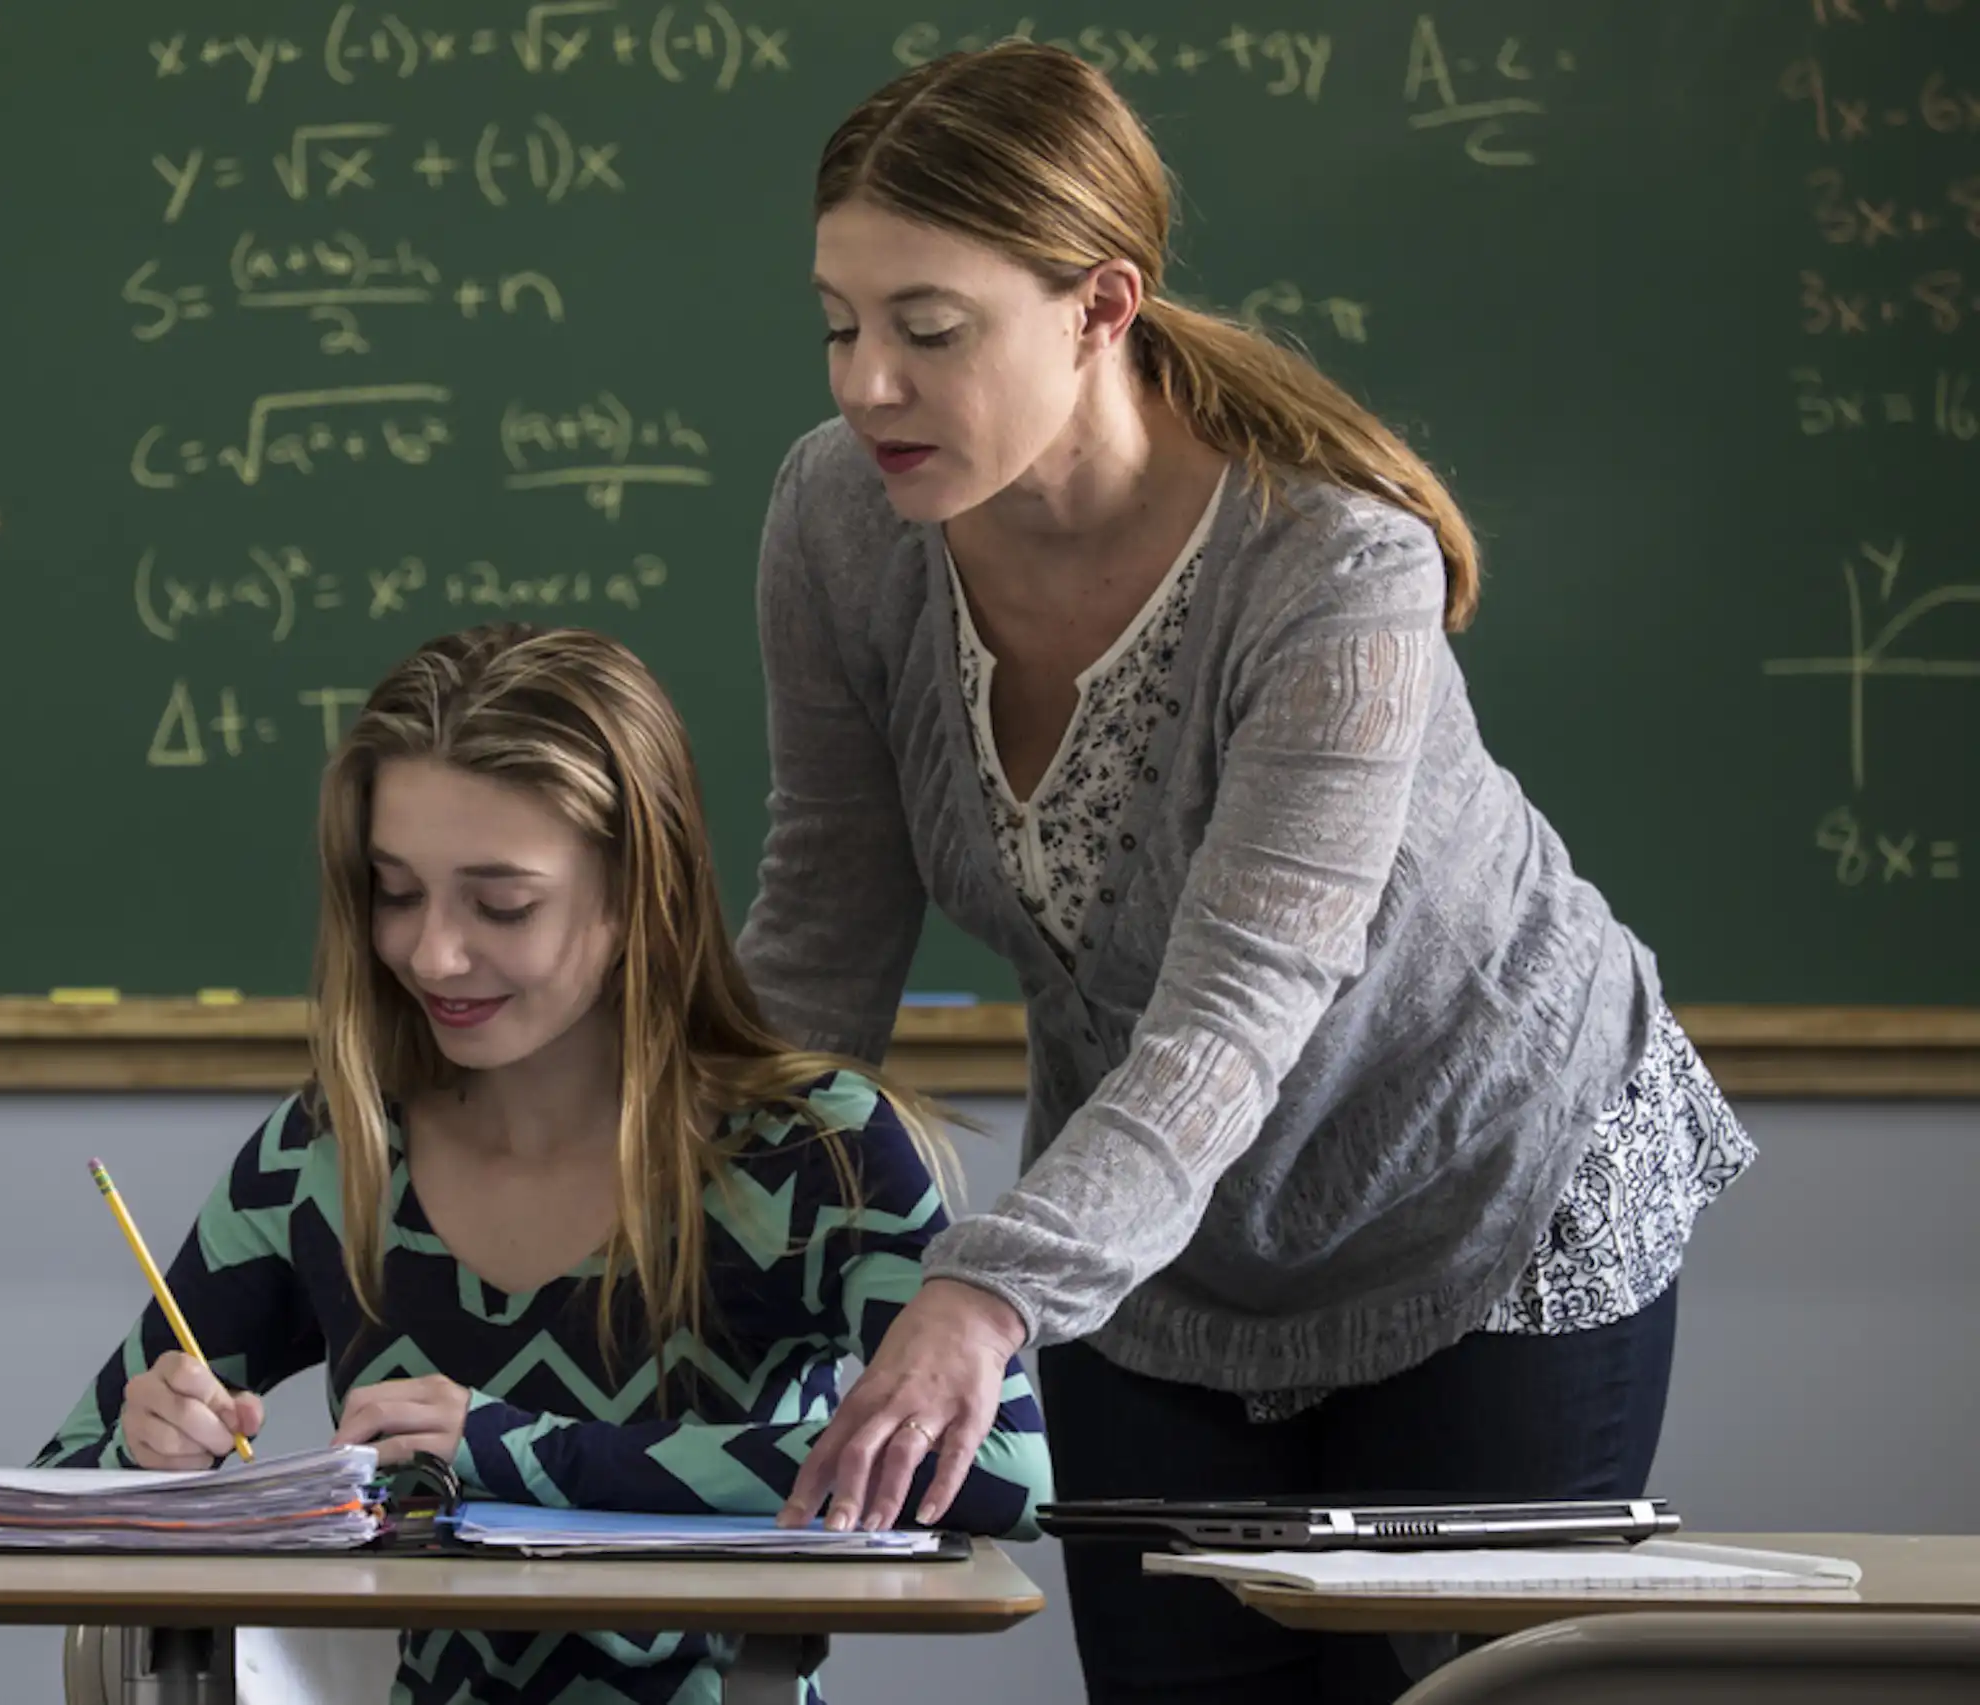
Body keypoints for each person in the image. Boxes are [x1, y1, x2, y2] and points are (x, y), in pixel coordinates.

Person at [738, 40, 1756, 1705]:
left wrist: (986, 1290)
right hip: (1155, 1247)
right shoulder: (840, 518)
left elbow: (1236, 1013)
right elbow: (826, 920)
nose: (865, 387)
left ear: (1100, 305)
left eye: (930, 331)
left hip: (1488, 1195)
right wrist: (697, 1217)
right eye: (841, 323)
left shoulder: (1337, 568)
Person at [32, 623, 1052, 1705]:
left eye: (501, 903)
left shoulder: (817, 1151)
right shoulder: (330, 1153)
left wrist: (521, 1451)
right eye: (395, 891)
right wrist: (153, 1456)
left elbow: (995, 1474)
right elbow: (57, 1480)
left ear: (633, 892)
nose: (432, 953)